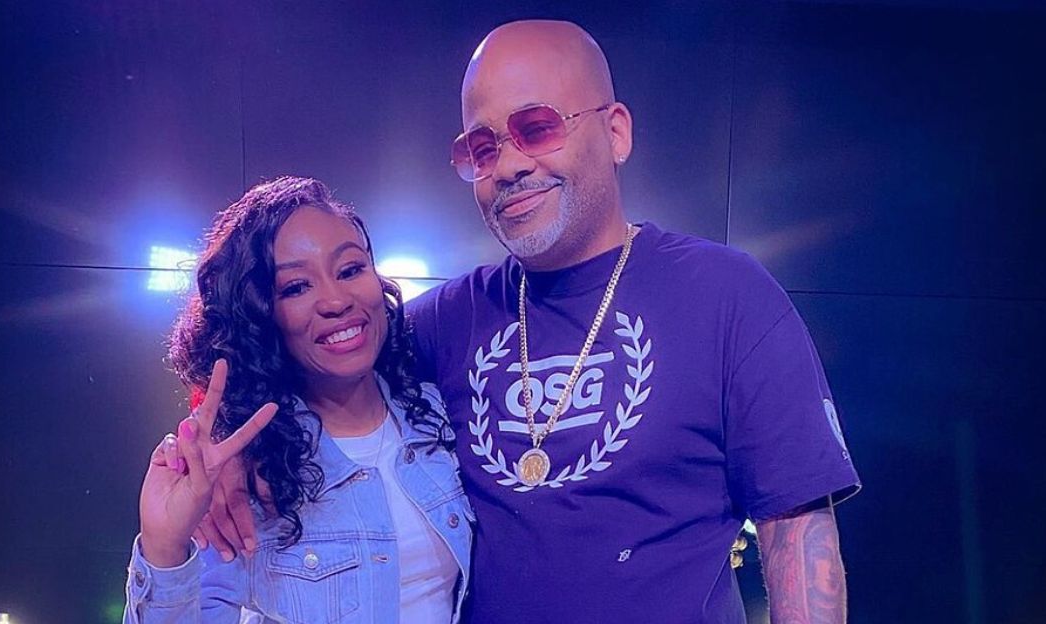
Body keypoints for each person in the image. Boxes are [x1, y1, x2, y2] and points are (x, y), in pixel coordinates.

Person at [207, 20, 862, 624]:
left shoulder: (726, 295)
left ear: (616, 132)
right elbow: (293, 353)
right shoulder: (444, 322)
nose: (510, 165)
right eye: (483, 147)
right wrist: (225, 455)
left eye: (538, 128)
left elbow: (796, 532)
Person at [123, 176, 473, 624]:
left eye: (350, 270)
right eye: (296, 287)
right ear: (260, 316)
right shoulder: (244, 473)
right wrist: (164, 547)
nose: (336, 300)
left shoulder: (436, 416)